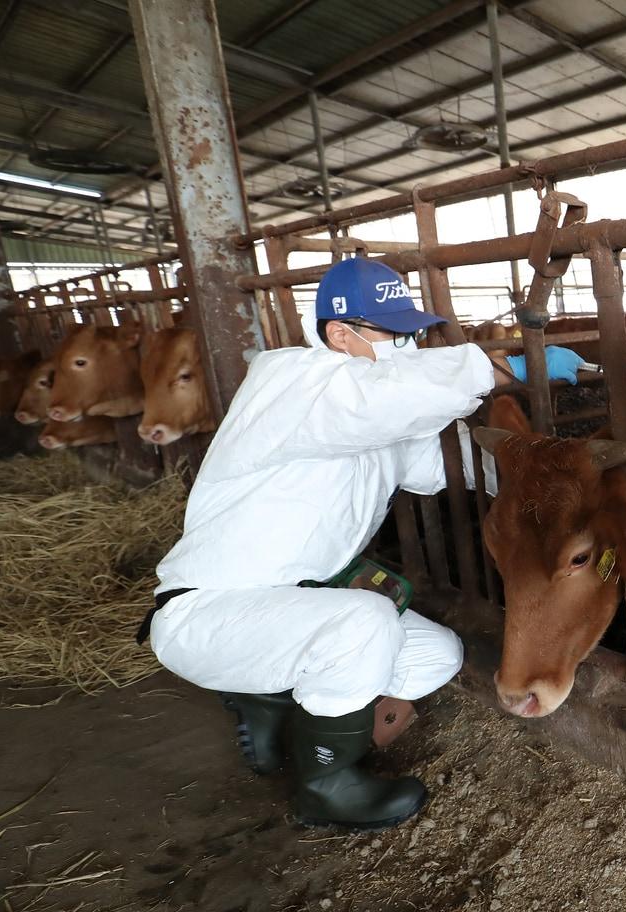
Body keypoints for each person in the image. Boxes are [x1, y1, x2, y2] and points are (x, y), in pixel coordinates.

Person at [140, 255, 585, 831]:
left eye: (413, 331)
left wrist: (554, 465)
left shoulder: (374, 414)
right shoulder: (294, 382)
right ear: (338, 335)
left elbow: (451, 462)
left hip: (295, 607)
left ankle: (271, 706)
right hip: (211, 612)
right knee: (364, 624)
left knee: (435, 656)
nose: (409, 345)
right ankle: (327, 786)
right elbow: (388, 398)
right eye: (393, 332)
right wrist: (508, 368)